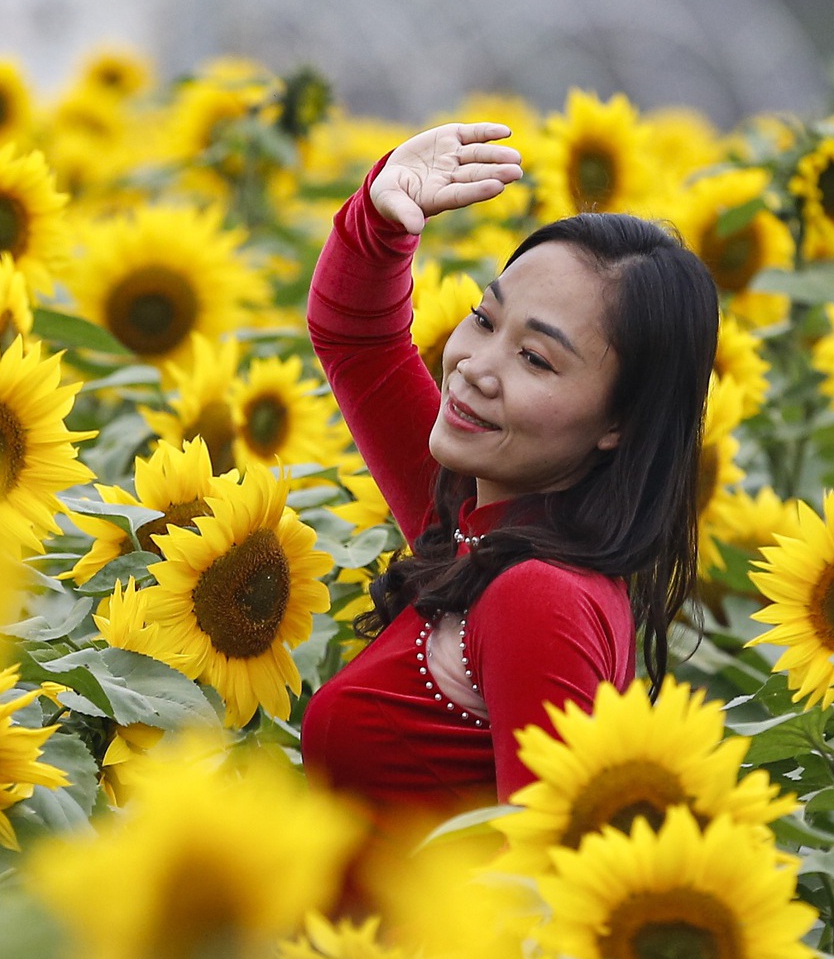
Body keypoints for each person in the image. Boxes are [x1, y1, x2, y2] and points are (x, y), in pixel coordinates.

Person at [299, 121, 718, 823]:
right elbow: (355, 338)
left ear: (621, 422)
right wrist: (379, 218)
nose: (474, 366)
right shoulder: (473, 523)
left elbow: (540, 884)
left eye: (536, 359)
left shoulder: (538, 599)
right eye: (485, 319)